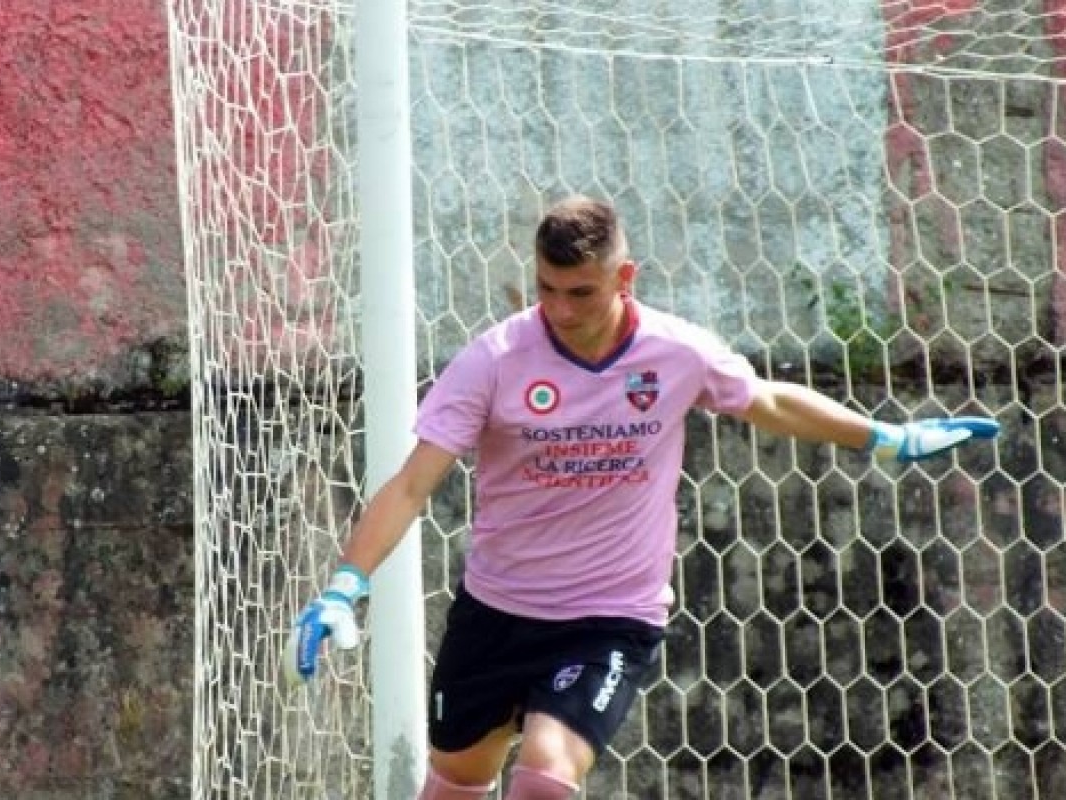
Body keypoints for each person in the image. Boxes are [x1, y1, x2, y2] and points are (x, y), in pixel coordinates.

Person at [287, 195, 998, 799]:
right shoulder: (495, 360)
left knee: (544, 771)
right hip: (497, 613)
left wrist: (887, 437)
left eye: (581, 292)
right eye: (547, 290)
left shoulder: (675, 352)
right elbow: (414, 481)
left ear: (624, 276)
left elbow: (768, 401)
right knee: (455, 781)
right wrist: (344, 584)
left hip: (610, 619)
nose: (560, 310)